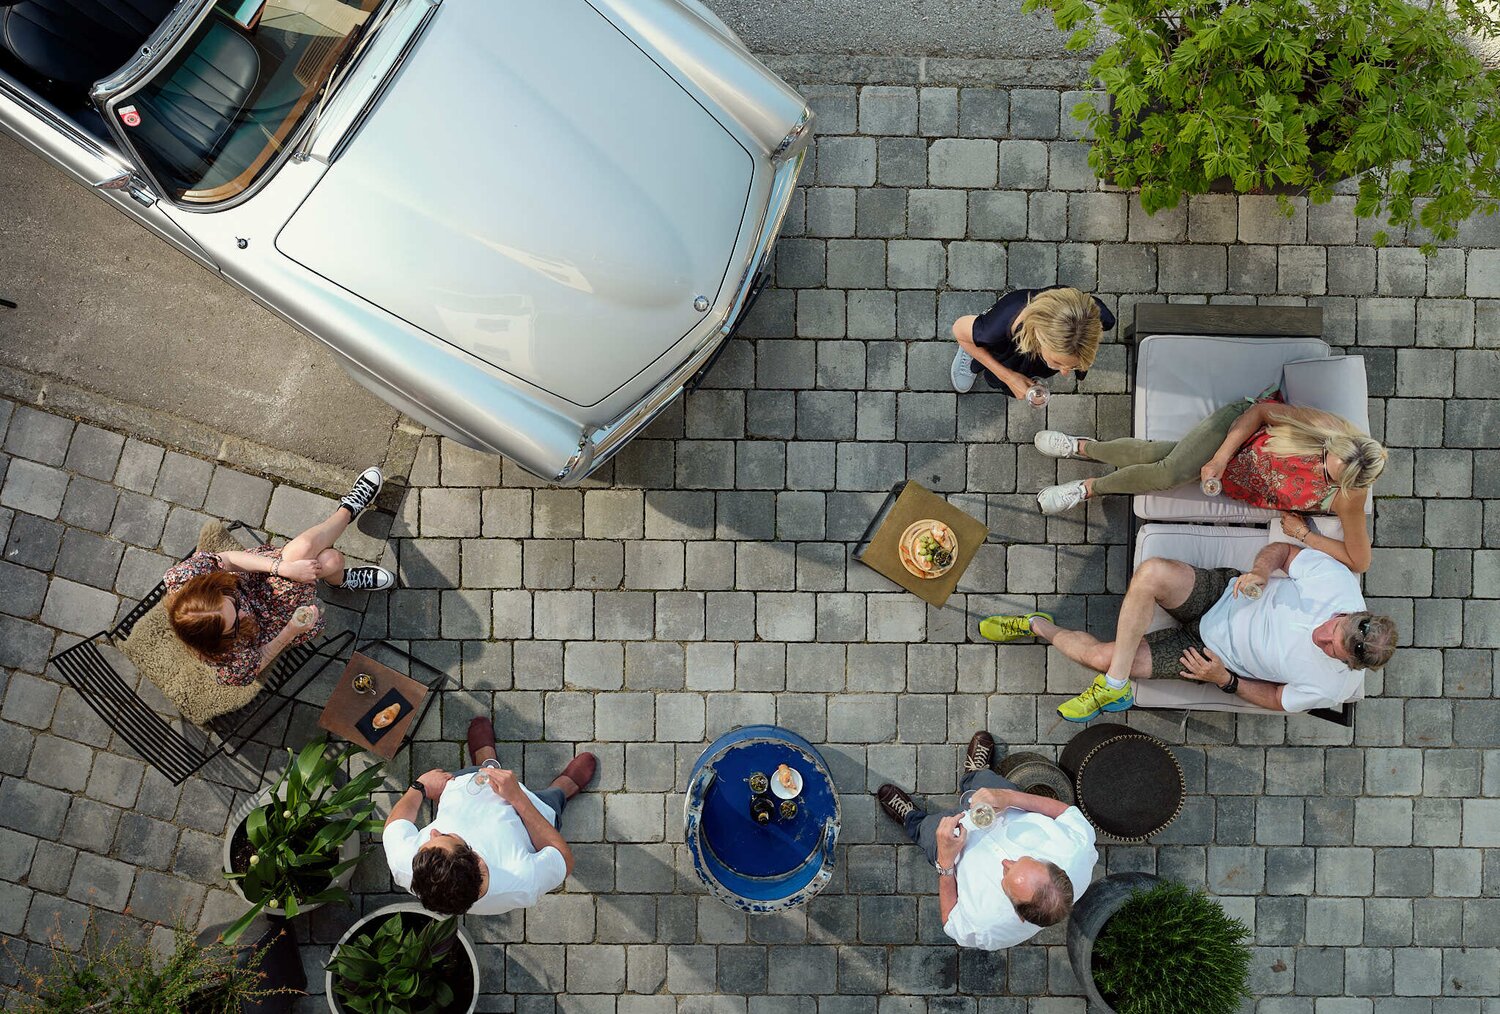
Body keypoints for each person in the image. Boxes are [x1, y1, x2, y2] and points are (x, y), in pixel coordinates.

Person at [981, 543, 1398, 722]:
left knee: (1099, 657)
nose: (1322, 638)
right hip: (1222, 595)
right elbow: (1285, 553)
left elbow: (1276, 698)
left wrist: (1225, 680)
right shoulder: (1338, 585)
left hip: (1204, 657)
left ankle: (1035, 624)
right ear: (1349, 613)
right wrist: (1259, 571)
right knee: (1152, 574)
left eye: (1331, 650)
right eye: (1331, 629)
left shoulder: (1333, 687)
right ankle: (1115, 686)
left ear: (1347, 663)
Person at [1032, 391, 1387, 574]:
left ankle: (1083, 447)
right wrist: (1218, 459)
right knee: (1168, 473)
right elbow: (1260, 411)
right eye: (1327, 454)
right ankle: (1089, 488)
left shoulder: (1349, 497)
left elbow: (1360, 561)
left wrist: (1306, 535)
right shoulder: (1328, 429)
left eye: (1328, 471)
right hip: (1237, 433)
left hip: (1237, 480)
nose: (1321, 462)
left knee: (1161, 455)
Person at [164, 467, 394, 686]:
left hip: (256, 581)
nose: (243, 612)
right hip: (272, 622)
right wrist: (291, 630)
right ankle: (339, 578)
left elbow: (229, 560)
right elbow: (259, 661)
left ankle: (349, 508)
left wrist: (281, 568)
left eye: (232, 601)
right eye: (234, 622)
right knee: (331, 560)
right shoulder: (226, 657)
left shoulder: (184, 578)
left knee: (303, 549)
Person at [876, 731, 1098, 951]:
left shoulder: (987, 927)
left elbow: (950, 921)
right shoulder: (1076, 851)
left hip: (952, 850)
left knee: (928, 832)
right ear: (1056, 867)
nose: (1006, 863)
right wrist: (1010, 797)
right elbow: (1065, 813)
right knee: (984, 783)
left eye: (1005, 877)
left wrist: (945, 864)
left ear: (1017, 914)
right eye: (1024, 858)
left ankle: (912, 820)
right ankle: (974, 774)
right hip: (1003, 805)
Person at [382, 717, 596, 916]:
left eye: (430, 839)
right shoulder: (520, 880)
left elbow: (395, 825)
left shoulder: (409, 866)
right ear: (479, 861)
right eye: (447, 835)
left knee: (480, 771)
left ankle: (486, 763)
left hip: (465, 788)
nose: (433, 831)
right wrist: (518, 797)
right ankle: (562, 790)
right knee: (551, 802)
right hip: (531, 811)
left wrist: (420, 787)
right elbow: (563, 860)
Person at [949, 285, 1114, 397]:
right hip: (1008, 342)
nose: (1064, 373)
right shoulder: (996, 329)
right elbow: (958, 329)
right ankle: (973, 349)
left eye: (1072, 366)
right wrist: (1008, 377)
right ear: (1041, 338)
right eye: (1058, 362)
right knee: (982, 349)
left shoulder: (1100, 318)